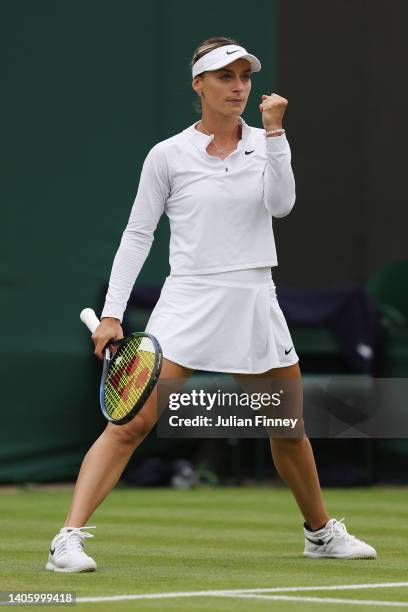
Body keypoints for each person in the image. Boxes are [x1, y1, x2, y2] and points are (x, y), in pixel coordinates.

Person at [46, 36, 376, 573]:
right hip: (189, 298)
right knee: (131, 423)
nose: (238, 87)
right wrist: (112, 311)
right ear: (199, 83)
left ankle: (320, 533)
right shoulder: (168, 155)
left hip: (253, 297)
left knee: (288, 428)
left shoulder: (267, 140)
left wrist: (275, 134)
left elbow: (282, 204)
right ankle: (68, 539)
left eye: (244, 77)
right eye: (225, 77)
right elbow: (137, 234)